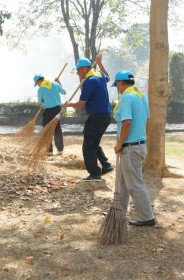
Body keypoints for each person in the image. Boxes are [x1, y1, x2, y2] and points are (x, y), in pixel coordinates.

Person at [112, 70, 155, 226]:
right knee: (122, 182)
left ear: (121, 83)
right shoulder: (141, 96)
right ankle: (118, 211)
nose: (117, 87)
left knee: (134, 184)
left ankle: (147, 217)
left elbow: (127, 122)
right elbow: (146, 118)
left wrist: (120, 143)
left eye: (117, 84)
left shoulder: (126, 98)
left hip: (130, 147)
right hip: (137, 145)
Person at [65, 53, 114, 181]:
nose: (77, 73)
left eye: (78, 70)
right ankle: (107, 166)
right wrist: (100, 64)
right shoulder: (99, 75)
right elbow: (108, 77)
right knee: (94, 144)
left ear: (85, 69)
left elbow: (81, 104)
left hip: (96, 117)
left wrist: (69, 104)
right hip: (106, 116)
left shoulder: (89, 81)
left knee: (88, 147)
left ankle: (94, 174)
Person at [34, 74, 66, 155]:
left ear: (39, 81)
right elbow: (64, 92)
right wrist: (58, 82)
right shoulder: (55, 84)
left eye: (37, 83)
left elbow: (40, 103)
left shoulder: (40, 89)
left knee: (46, 130)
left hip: (48, 111)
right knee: (57, 128)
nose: (37, 85)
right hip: (58, 110)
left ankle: (49, 151)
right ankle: (60, 150)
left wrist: (43, 103)